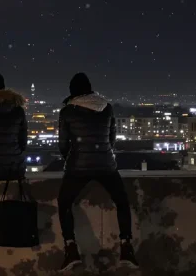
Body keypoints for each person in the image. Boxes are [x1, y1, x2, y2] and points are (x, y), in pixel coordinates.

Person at [57, 73, 138, 271]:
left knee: (64, 202)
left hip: (78, 167)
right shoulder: (106, 107)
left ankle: (71, 248)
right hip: (106, 165)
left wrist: (73, 159)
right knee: (121, 201)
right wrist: (103, 155)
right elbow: (112, 140)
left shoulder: (67, 111)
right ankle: (126, 245)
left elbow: (63, 144)